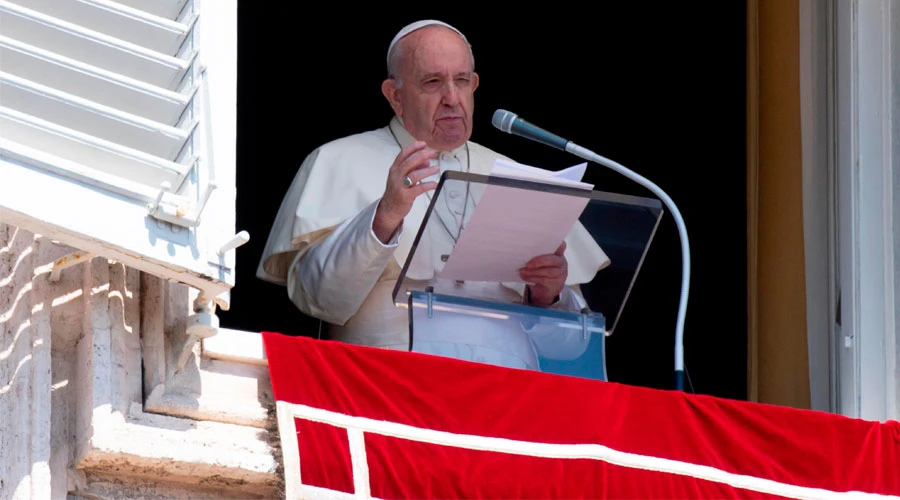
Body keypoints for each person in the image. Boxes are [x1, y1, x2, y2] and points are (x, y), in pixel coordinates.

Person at [257, 19, 610, 371]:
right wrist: (385, 217)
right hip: (386, 378)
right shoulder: (337, 160)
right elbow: (318, 299)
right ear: (395, 96)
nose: (452, 99)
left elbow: (572, 347)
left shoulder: (518, 176)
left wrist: (547, 297)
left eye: (461, 81)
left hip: (508, 390)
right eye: (432, 82)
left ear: (474, 85)